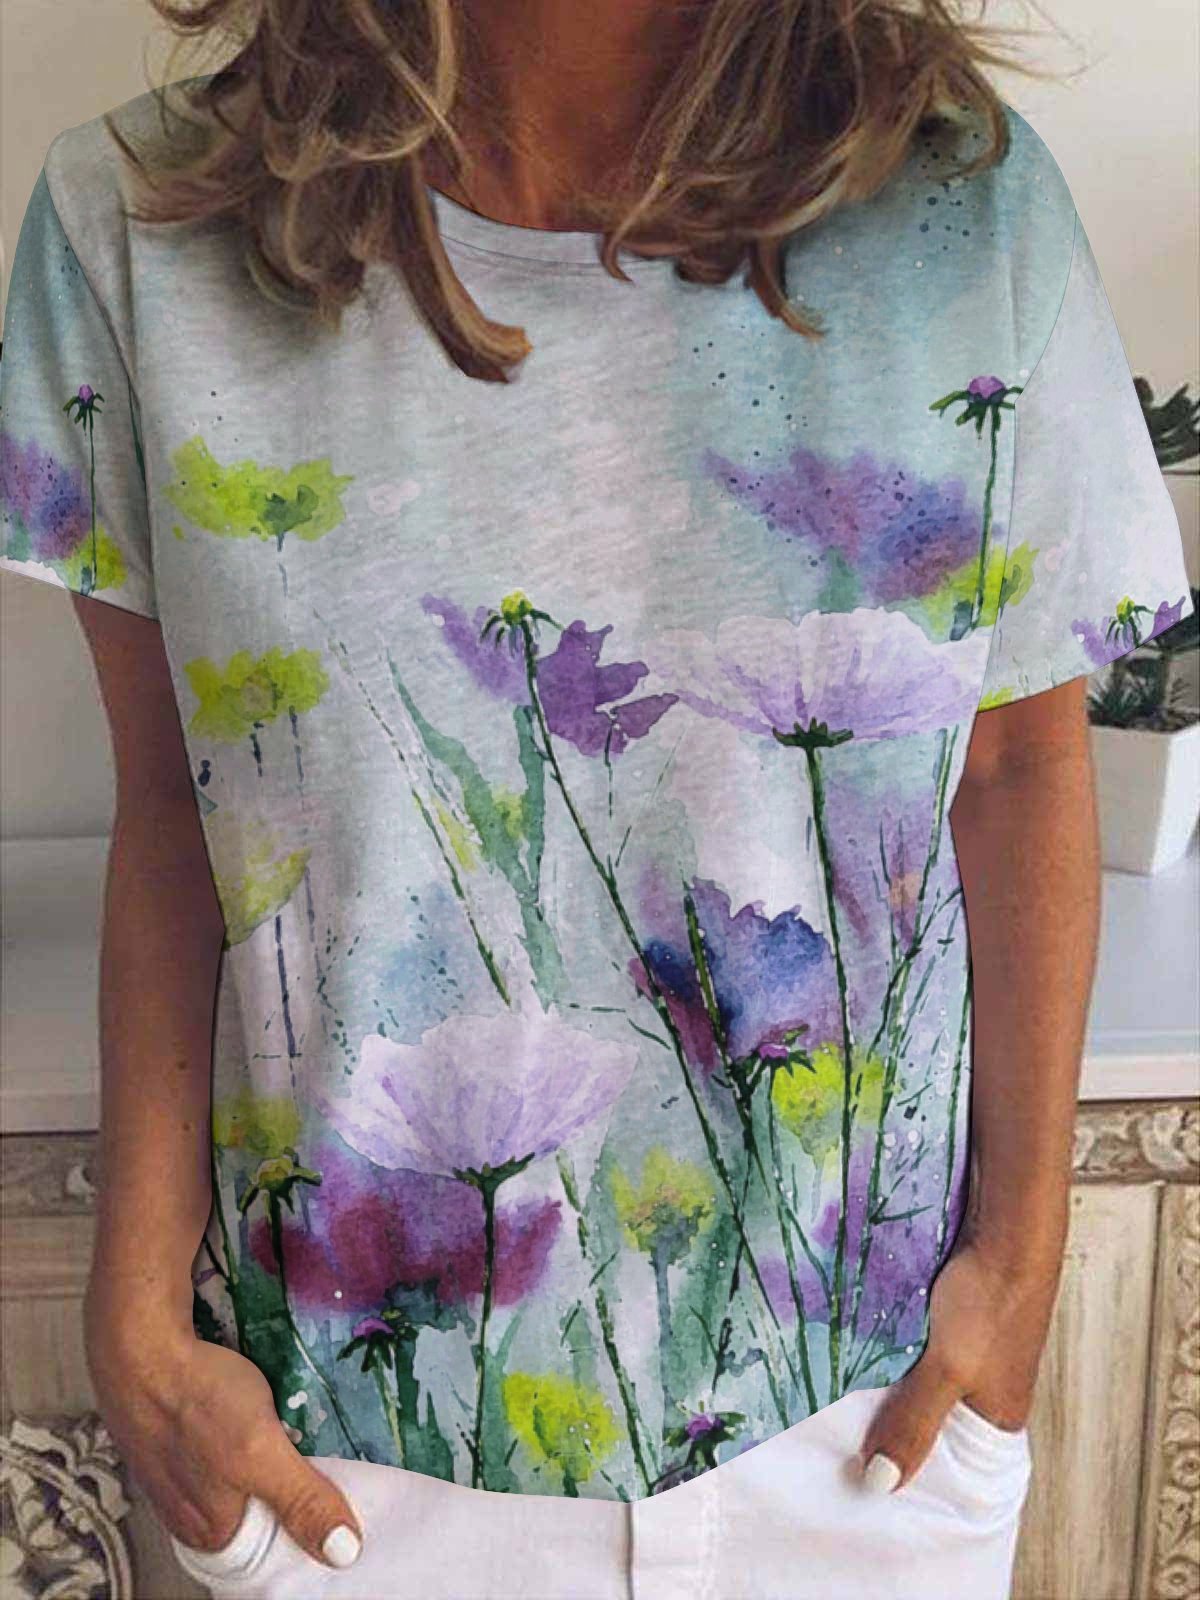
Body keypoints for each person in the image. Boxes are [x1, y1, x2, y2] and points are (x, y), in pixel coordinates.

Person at [1, 1, 1193, 1595]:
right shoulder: (139, 227)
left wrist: (1021, 1266)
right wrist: (139, 1319)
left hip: (867, 1428)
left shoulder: (963, 209)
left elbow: (1016, 762)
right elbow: (180, 801)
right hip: (339, 1449)